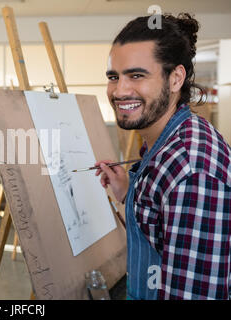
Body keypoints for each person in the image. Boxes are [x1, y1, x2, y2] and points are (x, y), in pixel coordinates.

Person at [96, 13, 231, 300]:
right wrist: (128, 192)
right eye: (113, 77)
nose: (119, 90)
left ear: (175, 78)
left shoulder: (192, 172)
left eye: (137, 75)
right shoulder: (165, 142)